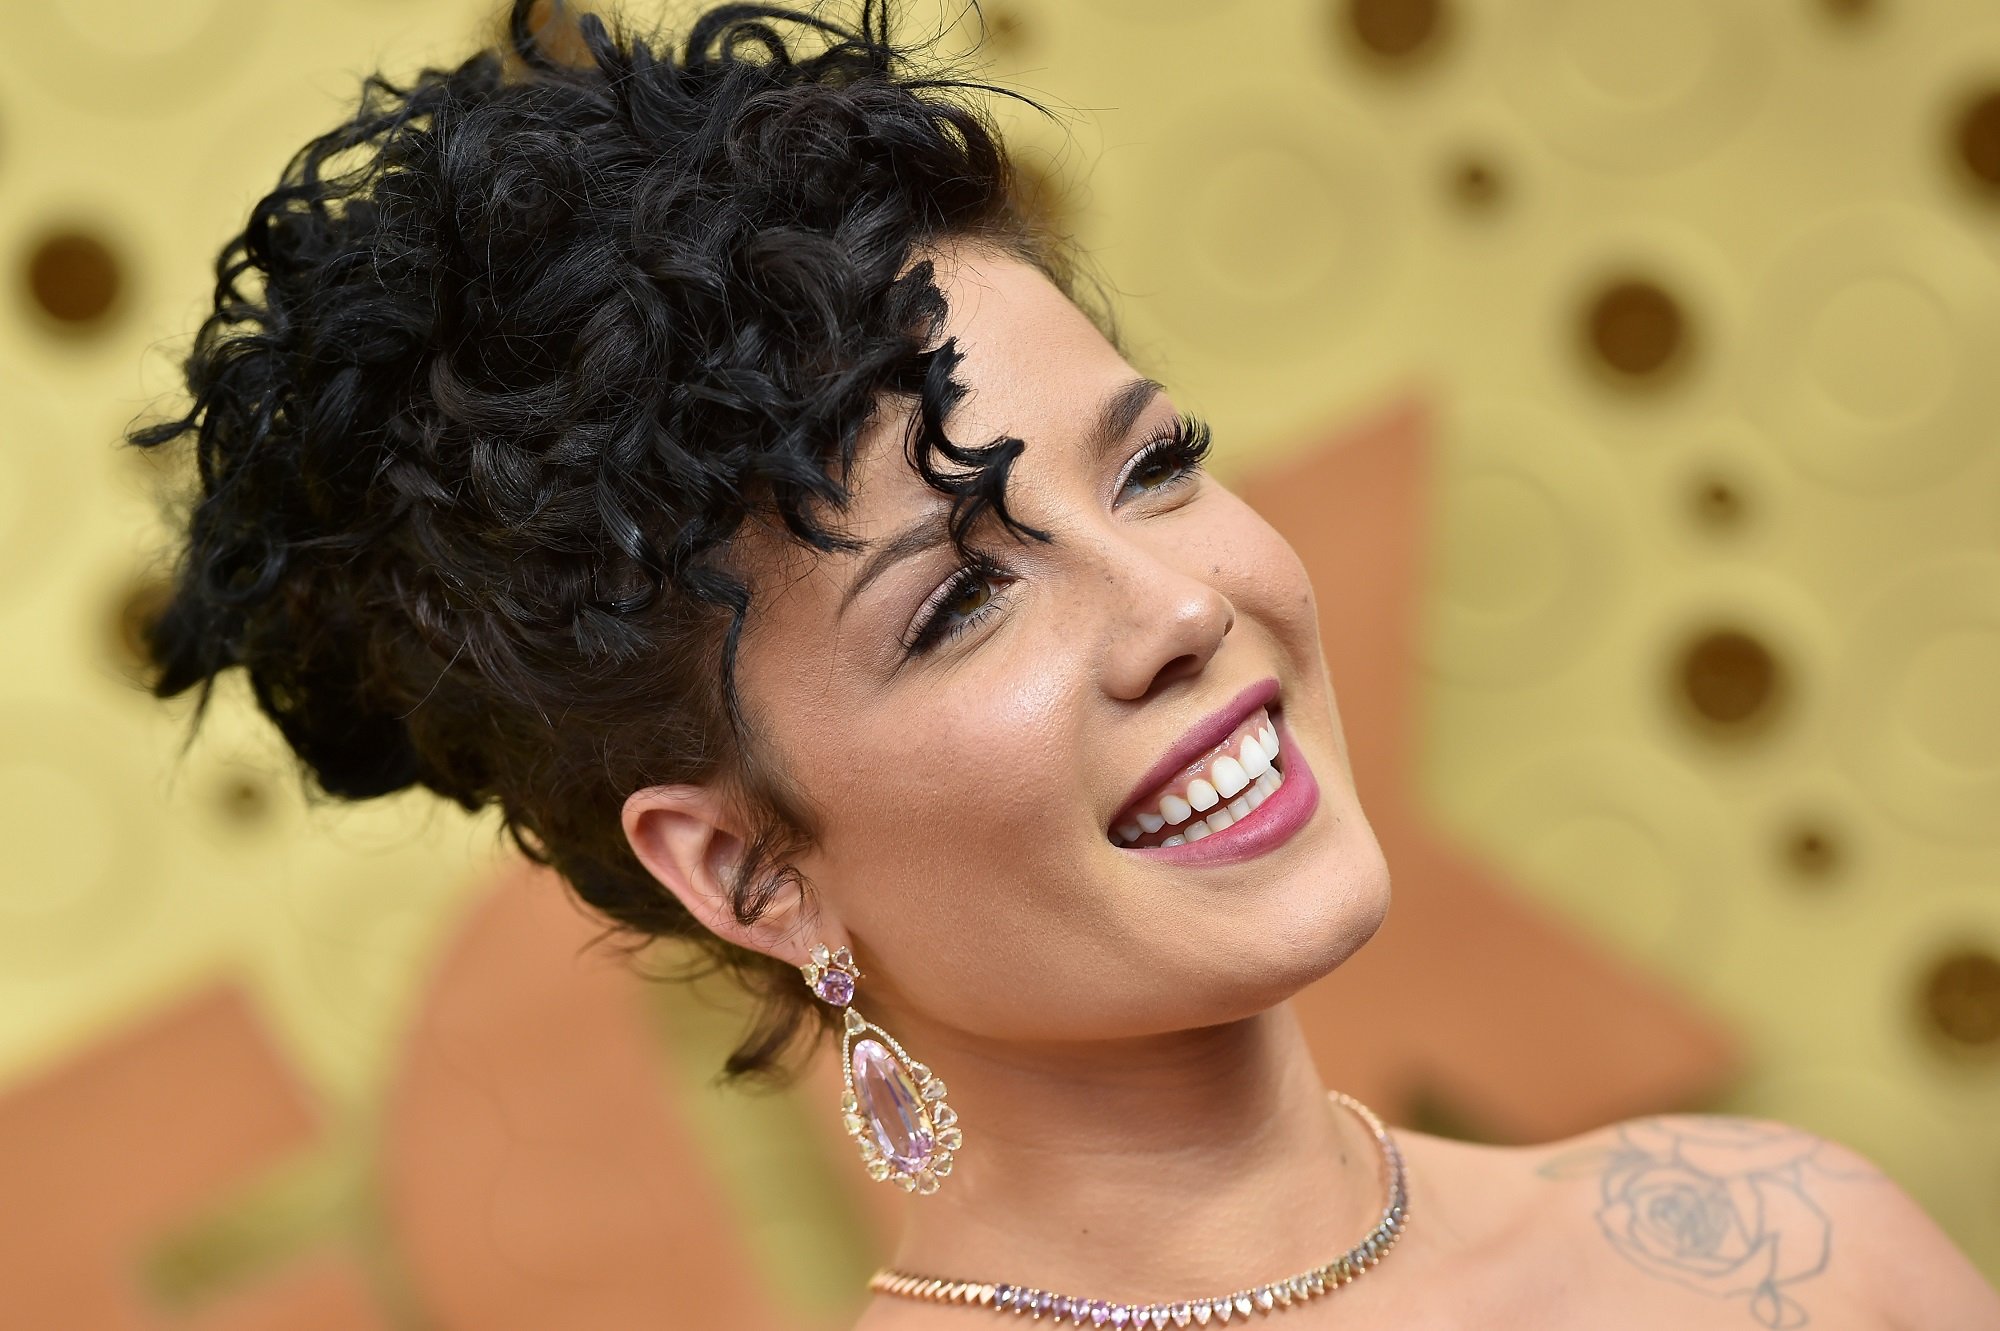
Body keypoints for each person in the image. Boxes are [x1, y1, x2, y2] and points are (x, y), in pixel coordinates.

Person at [132, 2, 2000, 1326]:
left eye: (1159, 468)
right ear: (746, 867)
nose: (1182, 605)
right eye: (958, 599)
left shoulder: (1788, 1259)